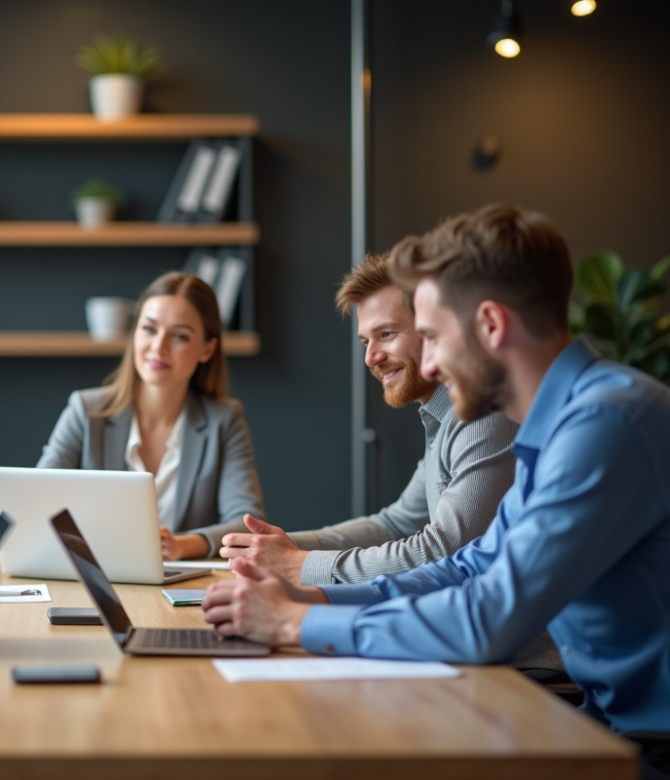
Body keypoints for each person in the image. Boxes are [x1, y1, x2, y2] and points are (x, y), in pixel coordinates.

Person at [202, 205, 670, 752]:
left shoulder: (605, 424)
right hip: (606, 725)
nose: (428, 367)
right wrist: (314, 598)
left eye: (433, 336)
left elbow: (489, 616)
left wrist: (292, 624)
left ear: (491, 326)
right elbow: (469, 565)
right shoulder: (561, 424)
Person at [218, 253, 559, 670]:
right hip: (480, 659)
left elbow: (445, 551)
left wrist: (302, 570)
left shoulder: (488, 416)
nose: (371, 358)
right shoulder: (444, 416)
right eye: (366, 341)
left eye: (387, 334)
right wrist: (283, 550)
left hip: (525, 673)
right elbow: (397, 522)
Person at [38, 271, 265, 560]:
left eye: (180, 335)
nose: (159, 347)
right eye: (149, 329)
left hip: (181, 589)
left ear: (207, 349)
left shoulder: (225, 420)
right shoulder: (86, 410)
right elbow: (38, 504)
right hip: (94, 579)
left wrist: (182, 545)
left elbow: (248, 524)